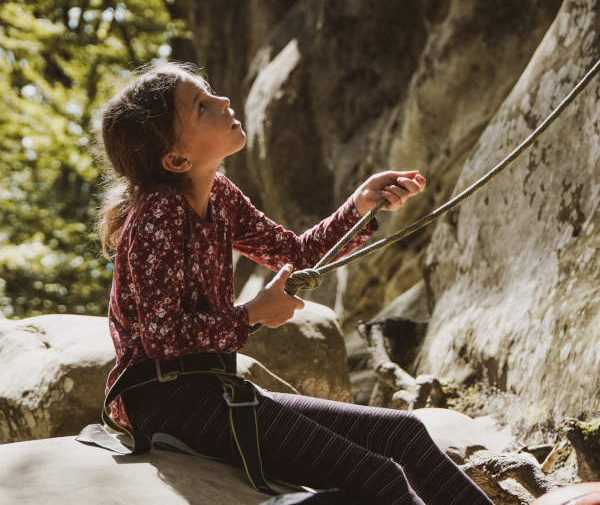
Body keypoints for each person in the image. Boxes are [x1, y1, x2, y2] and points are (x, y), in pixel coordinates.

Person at [94, 62, 493, 505]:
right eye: (202, 107)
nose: (224, 101)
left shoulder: (220, 196)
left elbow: (294, 253)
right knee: (377, 475)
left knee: (405, 433)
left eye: (211, 93)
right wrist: (254, 314)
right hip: (169, 403)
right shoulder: (158, 214)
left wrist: (359, 207)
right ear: (177, 160)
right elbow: (163, 338)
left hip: (210, 390)